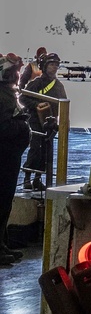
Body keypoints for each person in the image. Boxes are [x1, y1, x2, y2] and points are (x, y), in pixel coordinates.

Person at [21, 53, 67, 192]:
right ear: (45, 66)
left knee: (46, 151)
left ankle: (37, 179)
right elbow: (23, 98)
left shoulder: (59, 86)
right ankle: (27, 178)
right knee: (35, 148)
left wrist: (63, 122)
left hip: (50, 122)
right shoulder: (36, 83)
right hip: (35, 120)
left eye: (56, 65)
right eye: (52, 64)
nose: (54, 68)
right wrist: (36, 105)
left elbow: (64, 104)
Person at [0, 58, 29, 265]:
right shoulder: (2, 96)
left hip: (10, 155)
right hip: (4, 154)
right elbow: (3, 127)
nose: (16, 75)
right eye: (13, 72)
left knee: (5, 203)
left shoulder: (8, 93)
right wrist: (21, 127)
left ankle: (2, 244)